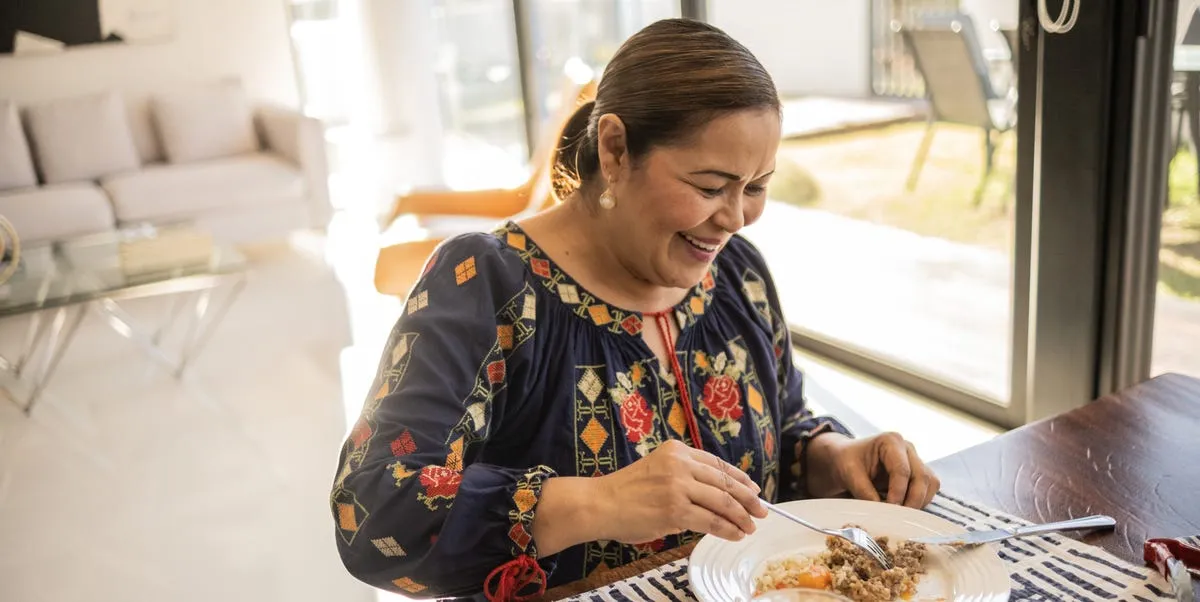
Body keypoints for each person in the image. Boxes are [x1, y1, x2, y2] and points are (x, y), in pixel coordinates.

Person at [331, 18, 940, 602]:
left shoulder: (738, 275)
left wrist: (837, 458)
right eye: (709, 186)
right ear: (616, 149)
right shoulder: (486, 285)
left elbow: (782, 429)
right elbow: (375, 515)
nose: (734, 219)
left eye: (755, 186)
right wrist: (602, 503)